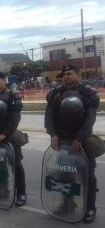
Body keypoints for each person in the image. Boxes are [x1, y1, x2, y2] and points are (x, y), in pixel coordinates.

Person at [45, 64, 101, 223]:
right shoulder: (56, 93)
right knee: (63, 174)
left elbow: (90, 119)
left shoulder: (87, 93)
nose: (66, 77)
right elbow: (49, 115)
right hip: (62, 141)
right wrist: (53, 134)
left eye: (69, 74)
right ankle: (67, 204)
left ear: (78, 74)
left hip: (80, 142)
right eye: (64, 75)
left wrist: (79, 138)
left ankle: (90, 208)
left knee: (87, 175)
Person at [0, 72, 27, 207]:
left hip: (9, 136)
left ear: (3, 80)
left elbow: (15, 118)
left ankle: (21, 193)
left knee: (16, 165)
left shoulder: (12, 95)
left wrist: (5, 134)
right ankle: (3, 190)